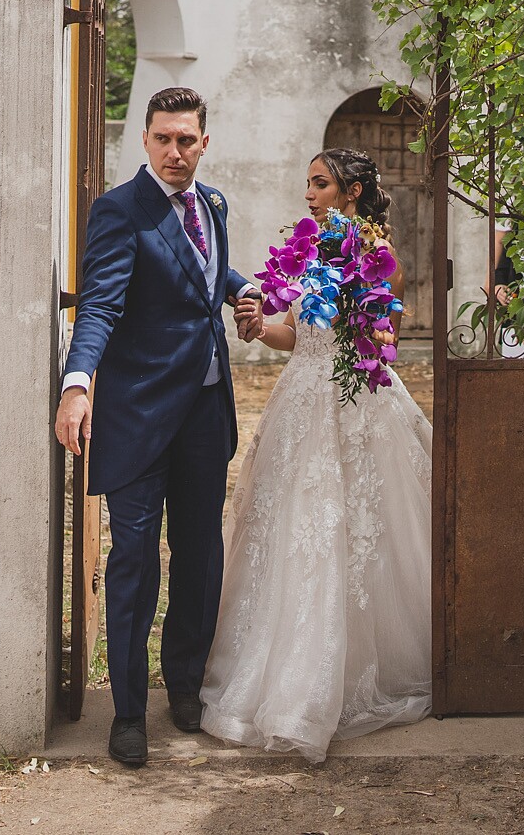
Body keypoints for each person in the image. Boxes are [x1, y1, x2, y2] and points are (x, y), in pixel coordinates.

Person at [202, 147, 434, 762]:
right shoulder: (303, 252)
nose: (308, 193)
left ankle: (352, 668)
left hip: (355, 401)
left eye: (320, 183)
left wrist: (369, 315)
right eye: (307, 183)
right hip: (299, 400)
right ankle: (278, 664)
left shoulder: (379, 260)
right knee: (291, 529)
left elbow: (379, 339)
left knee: (359, 531)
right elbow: (296, 334)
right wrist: (258, 325)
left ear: (351, 192)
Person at [55, 87, 258, 768]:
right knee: (136, 562)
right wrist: (78, 384)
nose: (176, 151)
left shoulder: (214, 205)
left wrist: (239, 288)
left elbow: (201, 268)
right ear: (145, 141)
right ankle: (129, 712)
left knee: (200, 556)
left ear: (205, 143)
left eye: (188, 139)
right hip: (138, 416)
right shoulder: (119, 210)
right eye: (165, 138)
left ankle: (186, 689)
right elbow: (103, 305)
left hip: (205, 411)